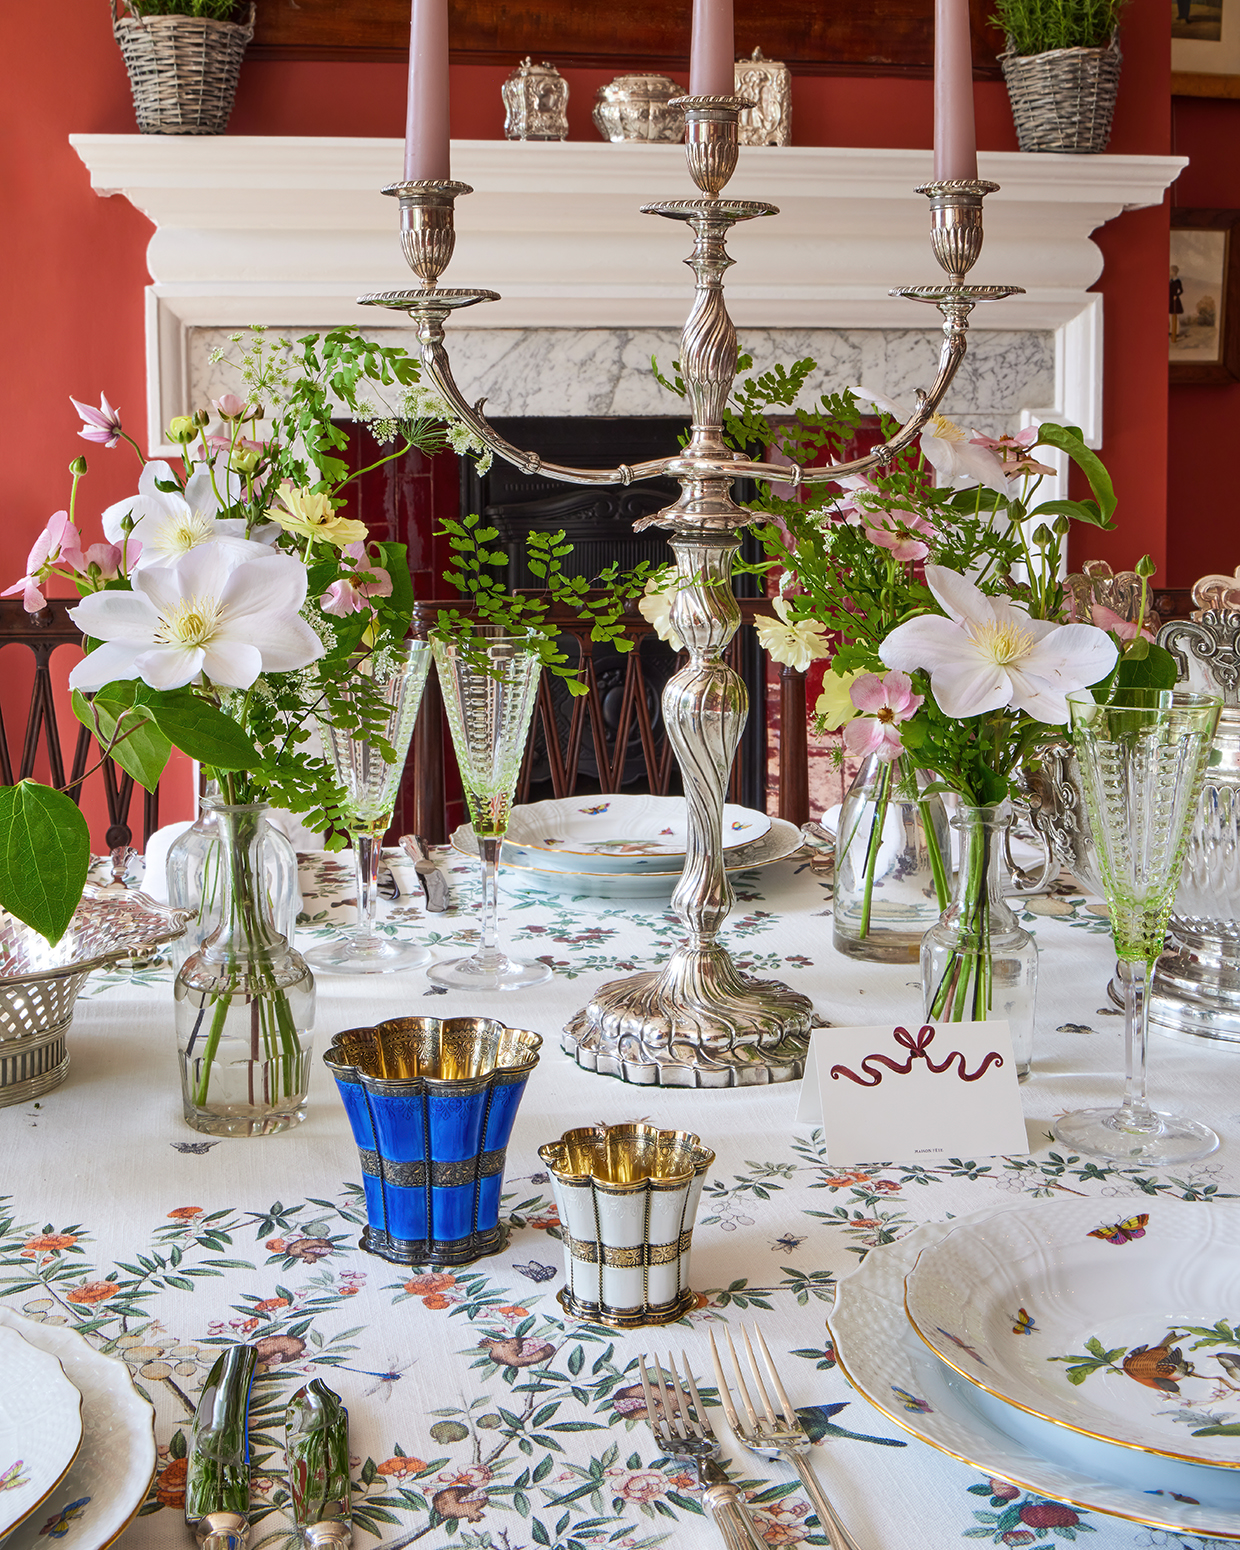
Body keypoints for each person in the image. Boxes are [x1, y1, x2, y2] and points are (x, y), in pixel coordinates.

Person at [1170, 264, 1184, 343]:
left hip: (1175, 301)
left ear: (1174, 272)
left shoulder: (1177, 281)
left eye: (1170, 271)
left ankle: (1176, 332)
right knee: (1170, 315)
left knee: (1175, 316)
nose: (1169, 272)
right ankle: (1171, 332)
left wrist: (1176, 295)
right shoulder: (1170, 280)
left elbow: (1181, 291)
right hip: (1170, 300)